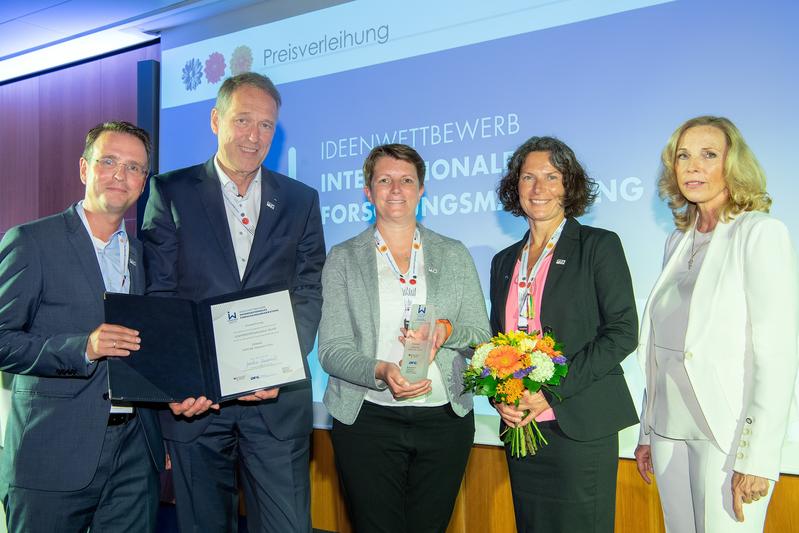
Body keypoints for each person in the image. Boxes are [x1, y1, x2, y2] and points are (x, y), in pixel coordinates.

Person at [141, 72, 325, 532]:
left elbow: (308, 289)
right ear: (215, 120)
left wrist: (281, 363)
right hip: (197, 405)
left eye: (266, 126)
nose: (254, 135)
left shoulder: (301, 200)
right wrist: (180, 380)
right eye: (243, 120)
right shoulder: (170, 192)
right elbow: (159, 295)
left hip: (276, 404)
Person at [634, 116, 799, 532]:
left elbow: (776, 357)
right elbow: (659, 349)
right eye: (683, 156)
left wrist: (757, 457)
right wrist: (647, 433)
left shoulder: (759, 233)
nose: (692, 166)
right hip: (668, 432)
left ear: (733, 166)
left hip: (725, 436)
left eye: (708, 155)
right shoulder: (677, 241)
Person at [0, 121, 165, 531]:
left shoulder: (146, 258)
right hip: (52, 452)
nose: (119, 175)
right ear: (83, 169)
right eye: (108, 161)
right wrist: (83, 348)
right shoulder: (32, 242)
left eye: (133, 167)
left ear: (143, 182)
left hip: (134, 455)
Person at [318, 144, 491, 532]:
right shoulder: (343, 257)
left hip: (444, 421)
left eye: (406, 180)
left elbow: (481, 337)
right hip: (367, 420)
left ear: (421, 189)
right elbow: (331, 350)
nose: (396, 189)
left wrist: (446, 330)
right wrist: (380, 369)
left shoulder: (454, 254)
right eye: (384, 180)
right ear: (367, 190)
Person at [489, 136, 639, 532]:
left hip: (580, 427)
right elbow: (496, 342)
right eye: (528, 177)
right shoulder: (504, 261)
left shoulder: (598, 246)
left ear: (568, 185)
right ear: (514, 186)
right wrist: (500, 396)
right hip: (523, 427)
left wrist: (548, 392)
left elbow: (623, 332)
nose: (539, 189)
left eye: (551, 177)